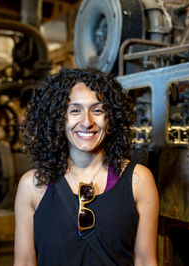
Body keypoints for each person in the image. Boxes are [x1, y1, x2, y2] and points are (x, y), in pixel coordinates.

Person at [14, 68, 159, 266]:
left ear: (111, 118)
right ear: (58, 119)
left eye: (97, 110)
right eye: (75, 110)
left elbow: (145, 261)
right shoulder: (32, 186)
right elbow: (24, 262)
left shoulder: (139, 181)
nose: (87, 122)